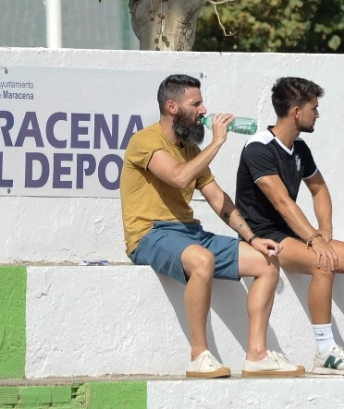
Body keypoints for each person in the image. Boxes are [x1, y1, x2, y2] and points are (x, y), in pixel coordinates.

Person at [120, 74, 304, 379]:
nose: (204, 110)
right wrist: (218, 141)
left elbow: (219, 200)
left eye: (202, 102)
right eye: (196, 103)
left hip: (189, 232)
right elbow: (178, 177)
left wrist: (253, 237)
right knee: (201, 261)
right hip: (150, 233)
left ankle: (257, 355)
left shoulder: (191, 149)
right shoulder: (145, 141)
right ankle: (199, 356)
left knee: (267, 263)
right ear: (172, 107)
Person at [235, 77, 344, 377]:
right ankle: (325, 353)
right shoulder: (258, 148)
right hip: (265, 236)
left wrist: (325, 229)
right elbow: (281, 203)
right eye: (314, 108)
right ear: (296, 112)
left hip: (295, 232)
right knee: (322, 263)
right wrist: (314, 239)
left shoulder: (299, 147)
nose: (318, 114)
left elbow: (319, 188)